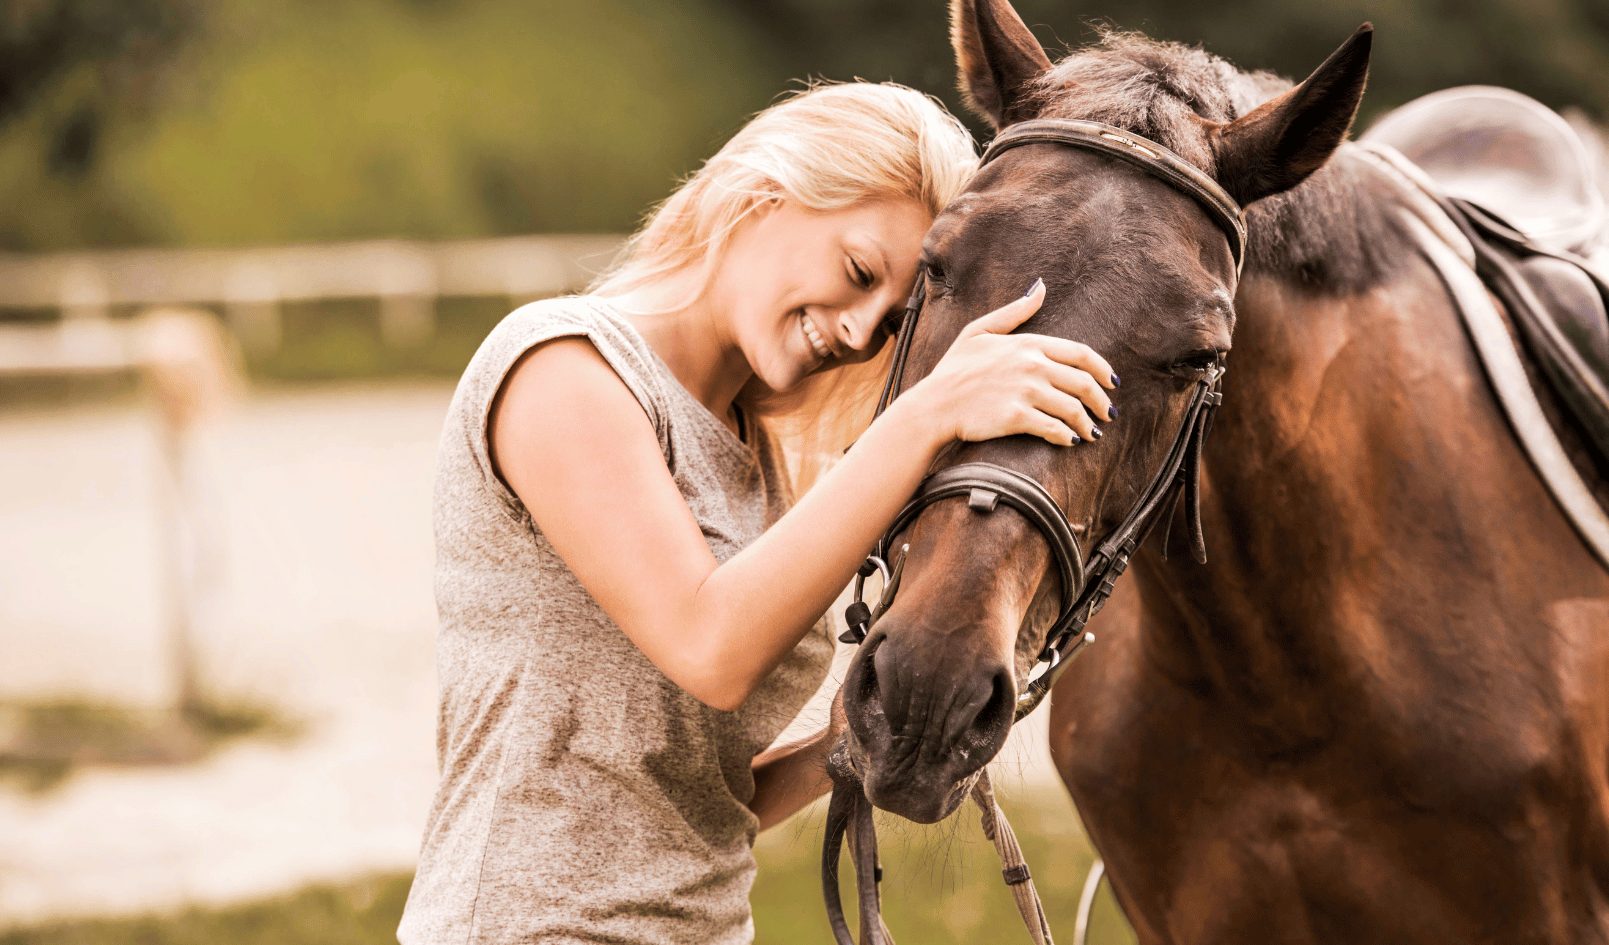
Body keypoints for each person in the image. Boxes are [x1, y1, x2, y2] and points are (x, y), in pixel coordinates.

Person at [397, 81, 1116, 944]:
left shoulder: (758, 462)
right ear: (765, 194)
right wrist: (927, 416)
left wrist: (880, 723)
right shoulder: (562, 369)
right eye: (857, 273)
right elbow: (711, 647)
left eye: (889, 324)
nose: (858, 333)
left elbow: (705, 796)